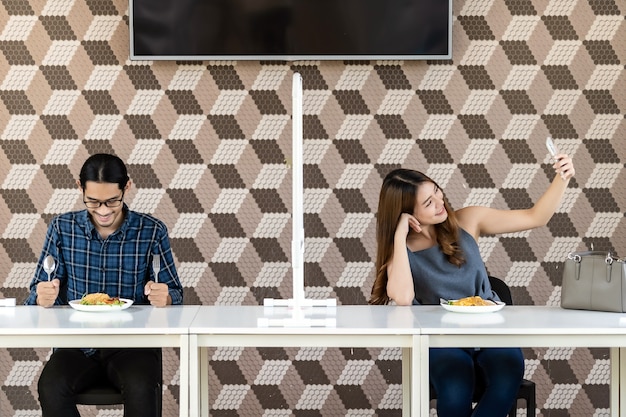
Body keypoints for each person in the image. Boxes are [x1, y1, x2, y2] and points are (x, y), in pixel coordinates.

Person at [370, 151, 575, 416]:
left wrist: (562, 178)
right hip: (442, 340)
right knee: (456, 387)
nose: (439, 203)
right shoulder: (402, 252)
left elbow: (536, 217)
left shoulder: (468, 220)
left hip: (491, 331)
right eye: (428, 202)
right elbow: (404, 298)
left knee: (507, 375)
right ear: (407, 213)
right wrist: (399, 235)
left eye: (436, 192)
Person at [25, 153, 184, 417]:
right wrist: (42, 297)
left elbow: (176, 293)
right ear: (80, 188)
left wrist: (165, 297)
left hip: (132, 346)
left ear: (127, 188)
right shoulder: (62, 228)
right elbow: (34, 295)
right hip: (76, 346)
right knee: (50, 386)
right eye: (93, 201)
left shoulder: (152, 231)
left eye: (112, 201)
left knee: (143, 386)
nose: (103, 210)